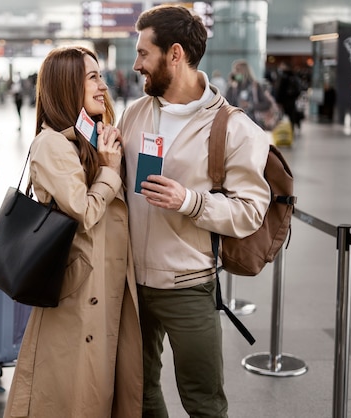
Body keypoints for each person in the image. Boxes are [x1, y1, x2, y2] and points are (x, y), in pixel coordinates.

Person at [117, 5, 271, 417]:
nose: (136, 66)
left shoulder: (235, 129)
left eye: (143, 54)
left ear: (175, 54)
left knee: (204, 402)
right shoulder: (135, 113)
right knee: (139, 391)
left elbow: (250, 211)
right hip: (130, 283)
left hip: (189, 284)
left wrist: (190, 201)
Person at [3, 46, 143, 418]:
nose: (104, 86)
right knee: (75, 394)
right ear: (67, 86)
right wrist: (110, 170)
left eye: (101, 77)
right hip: (80, 289)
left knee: (100, 388)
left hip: (108, 279)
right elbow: (84, 209)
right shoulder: (50, 144)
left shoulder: (89, 135)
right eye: (93, 77)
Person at [225, 58, 271, 125]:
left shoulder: (255, 86)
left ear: (244, 71)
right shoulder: (233, 87)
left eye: (237, 70)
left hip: (253, 123)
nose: (235, 72)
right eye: (234, 70)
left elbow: (266, 104)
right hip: (236, 124)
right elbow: (226, 104)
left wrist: (250, 105)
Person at [274, 61, 303, 133]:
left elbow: (280, 90)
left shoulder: (283, 76)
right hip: (291, 101)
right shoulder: (294, 76)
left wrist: (278, 101)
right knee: (291, 116)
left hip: (284, 101)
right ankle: (291, 130)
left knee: (281, 117)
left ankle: (283, 132)